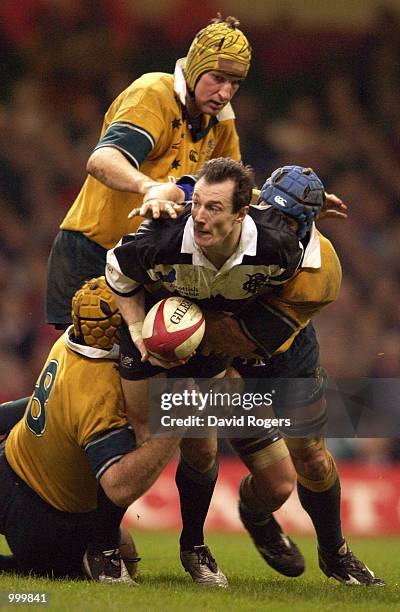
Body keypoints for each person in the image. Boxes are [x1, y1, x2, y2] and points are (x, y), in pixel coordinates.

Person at [104, 158, 315, 587]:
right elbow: (117, 270)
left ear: (241, 214)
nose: (199, 215)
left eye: (213, 208)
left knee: (201, 449)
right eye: (196, 203)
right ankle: (104, 546)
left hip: (205, 340)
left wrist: (236, 344)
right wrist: (137, 331)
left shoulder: (279, 250)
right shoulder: (164, 237)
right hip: (149, 332)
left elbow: (276, 289)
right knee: (142, 438)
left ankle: (194, 546)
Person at [194, 165, 385, 586]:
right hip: (228, 364)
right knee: (277, 487)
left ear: (308, 226)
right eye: (270, 214)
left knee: (314, 461)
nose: (275, 227)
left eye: (290, 221)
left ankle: (335, 553)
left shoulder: (321, 272)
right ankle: (256, 515)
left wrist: (189, 324)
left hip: (280, 358)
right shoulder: (242, 217)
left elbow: (247, 339)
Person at [46, 14, 252, 330]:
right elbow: (102, 159)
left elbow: (236, 190)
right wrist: (148, 187)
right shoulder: (153, 93)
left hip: (149, 259)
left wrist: (293, 208)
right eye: (217, 78)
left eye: (234, 84)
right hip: (92, 250)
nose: (225, 93)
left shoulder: (222, 120)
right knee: (90, 363)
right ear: (196, 67)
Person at [0, 277, 184, 581]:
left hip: (7, 465)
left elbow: (39, 403)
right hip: (45, 519)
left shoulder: (67, 341)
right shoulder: (103, 389)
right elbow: (118, 486)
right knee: (124, 551)